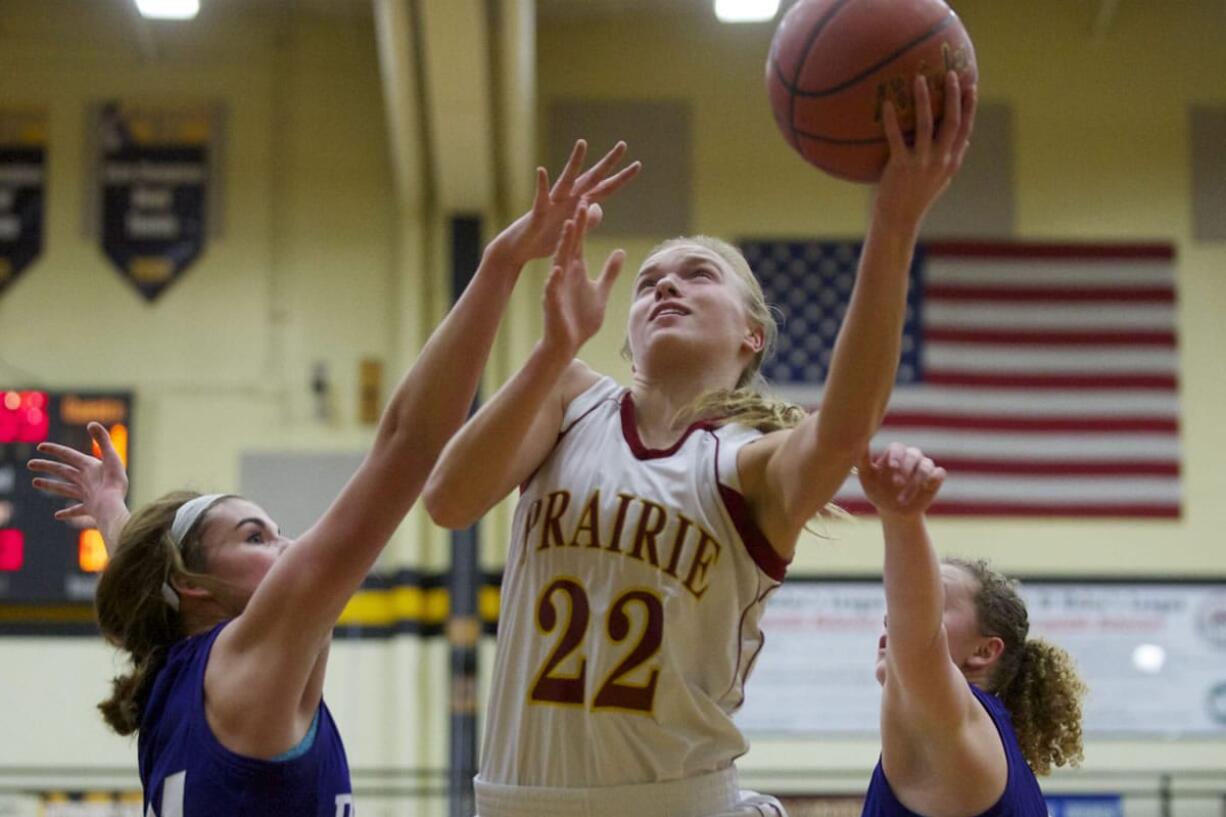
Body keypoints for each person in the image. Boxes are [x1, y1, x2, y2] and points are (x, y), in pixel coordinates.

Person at [27, 140, 639, 817]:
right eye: (257, 536)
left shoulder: (171, 669)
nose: (291, 548)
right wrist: (501, 263)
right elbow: (407, 442)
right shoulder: (245, 662)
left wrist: (113, 509)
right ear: (194, 584)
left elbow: (148, 574)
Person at [422, 73, 976, 817]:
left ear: (752, 332)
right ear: (627, 332)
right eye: (648, 282)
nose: (665, 288)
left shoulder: (748, 462)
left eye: (697, 275)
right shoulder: (569, 396)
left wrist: (895, 221)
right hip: (519, 800)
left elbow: (845, 426)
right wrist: (553, 347)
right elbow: (448, 501)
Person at [856, 443, 1088, 817]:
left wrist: (901, 517)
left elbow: (917, 636)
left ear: (983, 651)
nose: (892, 618)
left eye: (937, 603)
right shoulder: (982, 738)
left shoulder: (954, 722)